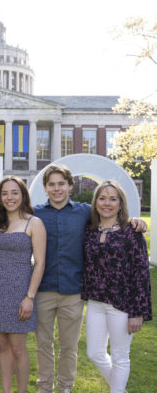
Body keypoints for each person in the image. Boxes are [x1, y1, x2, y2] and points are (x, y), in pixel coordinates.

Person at [33, 164, 147, 393]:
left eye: (61, 184)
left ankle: (65, 388)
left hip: (74, 292)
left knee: (69, 347)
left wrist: (137, 221)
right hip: (45, 289)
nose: (57, 189)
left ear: (70, 186)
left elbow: (113, 216)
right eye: (52, 184)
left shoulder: (84, 212)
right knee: (44, 345)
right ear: (45, 187)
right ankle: (45, 388)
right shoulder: (36, 213)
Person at [81, 180, 152, 393]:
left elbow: (141, 273)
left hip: (122, 304)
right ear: (95, 203)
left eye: (113, 199)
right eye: (102, 198)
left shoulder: (131, 231)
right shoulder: (90, 230)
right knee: (95, 353)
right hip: (95, 303)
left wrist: (137, 312)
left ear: (121, 204)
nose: (107, 203)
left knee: (121, 357)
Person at [0, 176, 46, 393]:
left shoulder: (34, 223)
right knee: (3, 347)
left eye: (14, 192)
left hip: (21, 291)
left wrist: (29, 297)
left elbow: (39, 264)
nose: (9, 197)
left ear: (23, 195)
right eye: (4, 193)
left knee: (19, 348)